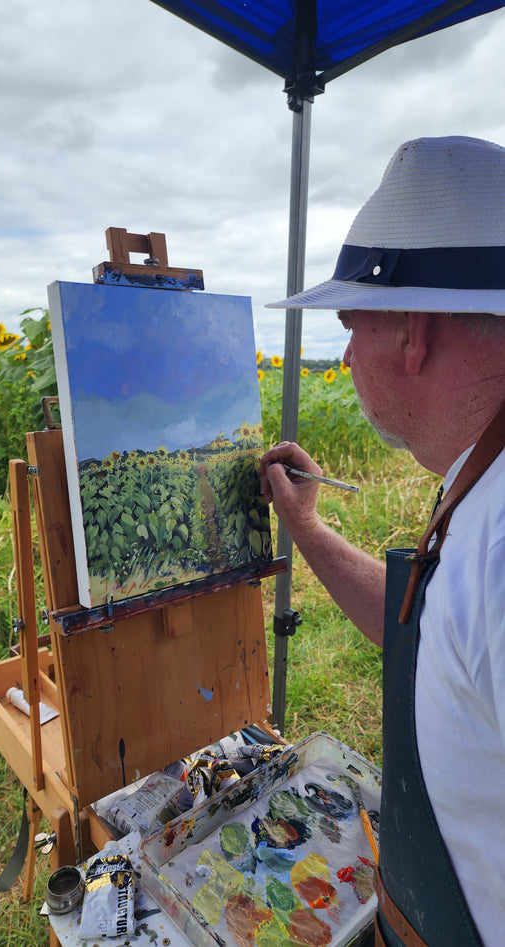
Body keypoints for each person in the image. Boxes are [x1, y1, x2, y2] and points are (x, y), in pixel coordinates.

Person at [259, 136, 505, 947]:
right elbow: (425, 633)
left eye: (349, 323)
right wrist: (309, 528)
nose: (347, 353)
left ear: (413, 333)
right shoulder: (478, 475)